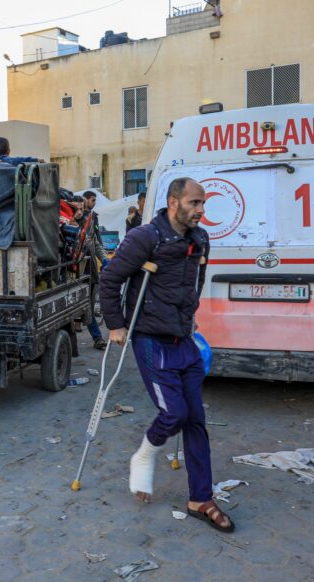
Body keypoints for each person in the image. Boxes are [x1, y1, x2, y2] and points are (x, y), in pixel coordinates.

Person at [99, 177, 233, 533]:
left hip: (183, 339)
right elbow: (110, 279)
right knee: (173, 413)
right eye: (194, 203)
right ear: (174, 202)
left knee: (195, 420)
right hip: (151, 340)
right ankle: (143, 457)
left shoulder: (200, 239)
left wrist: (190, 314)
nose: (201, 210)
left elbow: (196, 280)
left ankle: (200, 498)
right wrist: (115, 324)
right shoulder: (146, 237)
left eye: (202, 204)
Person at [80, 191, 108, 350]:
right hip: (76, 273)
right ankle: (97, 337)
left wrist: (104, 259)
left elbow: (96, 243)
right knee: (86, 308)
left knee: (89, 305)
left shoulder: (91, 219)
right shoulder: (69, 222)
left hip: (90, 271)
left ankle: (97, 337)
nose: (81, 211)